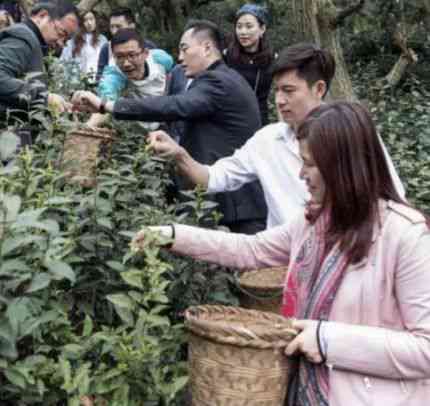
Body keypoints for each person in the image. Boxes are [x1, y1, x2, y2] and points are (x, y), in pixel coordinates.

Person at [132, 101, 430, 406]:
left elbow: (426, 348)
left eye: (311, 164)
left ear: (345, 166)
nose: (301, 174)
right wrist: (172, 234)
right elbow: (251, 249)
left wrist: (329, 340)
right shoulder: (315, 223)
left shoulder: (404, 234)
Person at [146, 43, 405, 228]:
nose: (280, 101)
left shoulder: (353, 135)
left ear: (319, 88)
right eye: (277, 91)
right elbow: (214, 177)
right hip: (284, 267)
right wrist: (179, 155)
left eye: (289, 91)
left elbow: (393, 203)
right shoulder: (267, 141)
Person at [72, 19, 267, 234]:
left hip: (237, 203)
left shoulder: (217, 81)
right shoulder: (213, 78)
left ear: (207, 48)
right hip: (224, 197)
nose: (180, 57)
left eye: (184, 49)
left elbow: (175, 105)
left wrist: (105, 105)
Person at [0, 0, 79, 145]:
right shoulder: (23, 37)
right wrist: (45, 97)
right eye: (61, 33)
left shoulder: (36, 43)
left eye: (66, 40)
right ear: (43, 16)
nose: (61, 43)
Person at [86, 28, 172, 129]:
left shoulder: (162, 59)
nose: (126, 64)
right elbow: (105, 102)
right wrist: (88, 126)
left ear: (145, 53)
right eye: (119, 57)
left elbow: (175, 77)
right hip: (135, 130)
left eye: (132, 55)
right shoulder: (114, 75)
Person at [224, 3, 276, 125]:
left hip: (259, 120)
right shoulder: (226, 56)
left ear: (262, 29)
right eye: (239, 26)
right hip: (230, 120)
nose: (243, 32)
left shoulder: (272, 59)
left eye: (249, 26)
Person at [96, 7, 157, 81]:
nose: (114, 31)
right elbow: (100, 77)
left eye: (118, 26)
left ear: (132, 26)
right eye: (112, 27)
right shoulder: (106, 48)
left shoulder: (148, 45)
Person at [60, 10, 107, 81]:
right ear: (81, 23)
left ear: (95, 20)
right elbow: (64, 62)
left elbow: (108, 61)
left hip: (100, 80)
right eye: (85, 20)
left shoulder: (102, 39)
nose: (89, 23)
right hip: (78, 82)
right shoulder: (73, 41)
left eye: (91, 19)